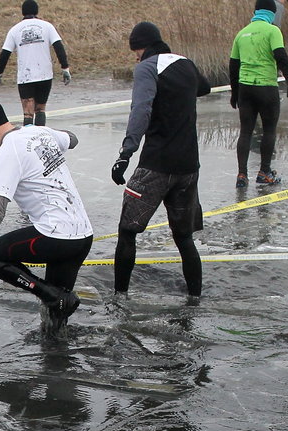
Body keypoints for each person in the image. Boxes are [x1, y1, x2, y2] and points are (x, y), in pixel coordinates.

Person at [0, 98, 92, 334]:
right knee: (57, 312)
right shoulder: (40, 133)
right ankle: (57, 360)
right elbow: (72, 139)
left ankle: (50, 294)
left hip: (55, 235)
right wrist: (47, 132)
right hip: (82, 236)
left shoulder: (7, 152)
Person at [110, 22, 211, 303]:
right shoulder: (186, 64)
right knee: (184, 238)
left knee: (127, 231)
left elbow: (140, 110)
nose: (135, 57)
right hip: (189, 167)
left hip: (156, 165)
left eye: (136, 51)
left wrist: (125, 154)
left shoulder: (147, 68)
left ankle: (120, 298)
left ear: (143, 47)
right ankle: (195, 300)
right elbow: (205, 87)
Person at [229, 0, 288, 189]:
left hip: (245, 88)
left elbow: (233, 66)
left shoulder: (241, 33)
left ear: (255, 12)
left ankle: (242, 175)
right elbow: (281, 56)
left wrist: (234, 93)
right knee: (269, 130)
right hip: (266, 88)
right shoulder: (272, 31)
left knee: (245, 131)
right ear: (272, 13)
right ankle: (264, 172)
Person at [0, 0, 70, 127]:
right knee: (40, 109)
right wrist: (65, 68)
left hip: (25, 77)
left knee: (28, 113)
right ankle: (40, 135)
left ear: (22, 12)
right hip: (45, 75)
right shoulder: (47, 26)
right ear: (37, 11)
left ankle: (28, 138)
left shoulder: (15, 30)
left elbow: (5, 53)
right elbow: (59, 47)